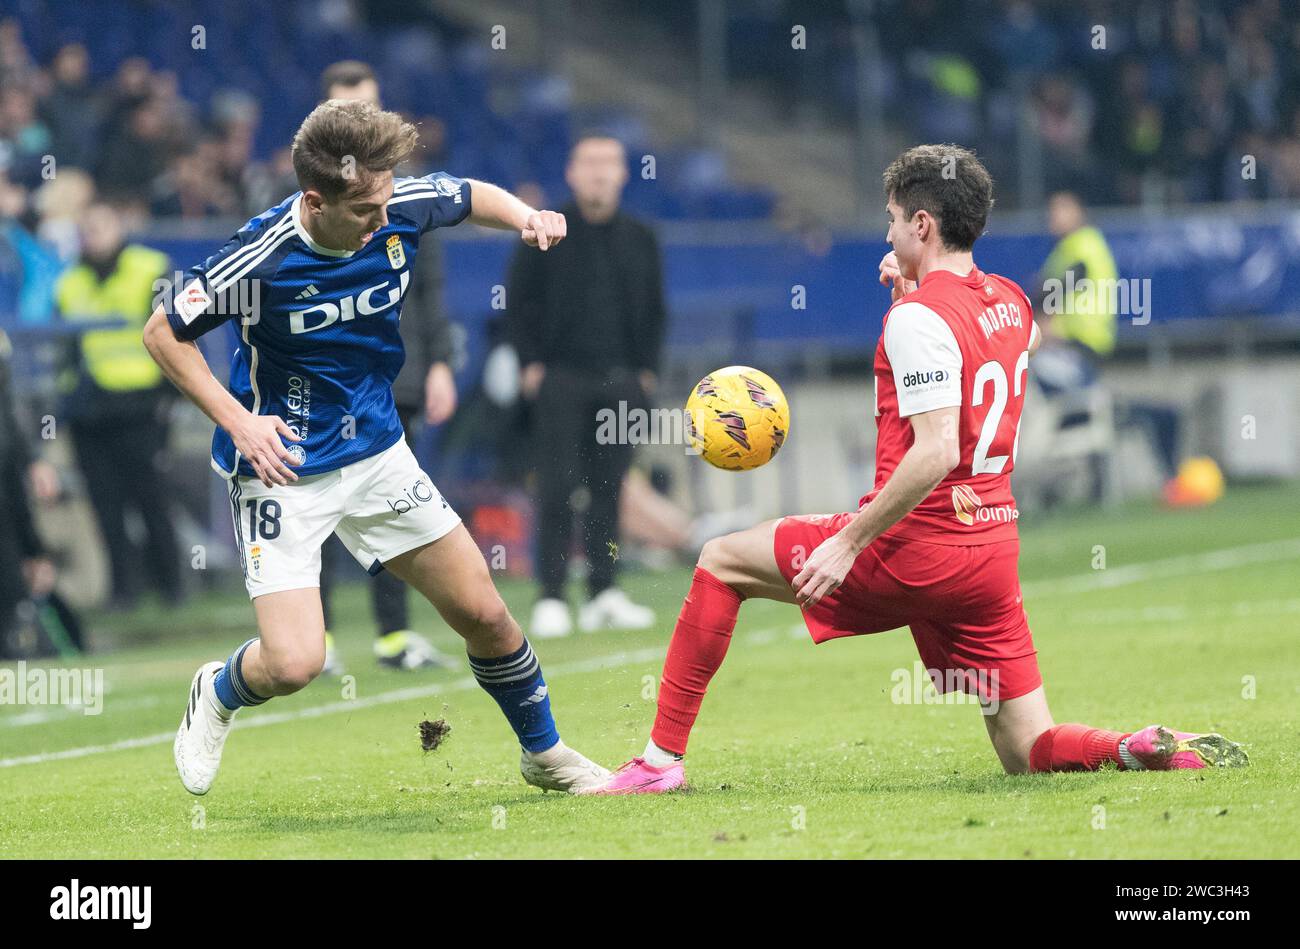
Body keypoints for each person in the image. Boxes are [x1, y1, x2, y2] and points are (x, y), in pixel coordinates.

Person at [587, 145, 1247, 795]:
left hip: (917, 547)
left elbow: (936, 450)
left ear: (921, 225)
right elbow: (1002, 346)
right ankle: (1132, 745)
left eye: (893, 218)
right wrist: (911, 295)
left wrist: (848, 542)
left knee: (720, 559)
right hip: (990, 550)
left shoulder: (918, 318)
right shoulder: (1012, 301)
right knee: (1026, 748)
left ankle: (657, 762)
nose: (888, 230)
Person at [143, 99, 609, 796]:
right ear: (315, 200)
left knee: (483, 611)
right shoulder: (262, 256)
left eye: (387, 200)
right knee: (297, 661)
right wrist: (240, 421)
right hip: (284, 467)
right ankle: (219, 688)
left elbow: (467, 193)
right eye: (364, 209)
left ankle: (545, 754)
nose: (381, 218)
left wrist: (526, 219)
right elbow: (161, 332)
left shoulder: (397, 201)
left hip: (376, 451)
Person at [314, 59, 458, 673]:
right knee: (310, 509)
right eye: (347, 110)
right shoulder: (296, 195)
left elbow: (427, 290)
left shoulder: (405, 191)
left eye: (369, 109)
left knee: (394, 502)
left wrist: (441, 365)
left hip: (392, 376)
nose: (360, 122)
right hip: (315, 380)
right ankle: (313, 642)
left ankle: (394, 637)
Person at [507, 134, 666, 638]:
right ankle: (551, 595)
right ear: (572, 173)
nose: (599, 173)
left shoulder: (642, 237)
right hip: (560, 379)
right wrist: (531, 363)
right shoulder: (545, 231)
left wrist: (646, 369)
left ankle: (604, 590)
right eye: (589, 163)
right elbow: (518, 302)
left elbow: (656, 310)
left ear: (622, 174)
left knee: (609, 489)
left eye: (609, 164)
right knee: (555, 487)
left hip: (621, 380)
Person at [55, 201, 183, 610]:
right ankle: (123, 590)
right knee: (105, 505)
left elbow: (178, 332)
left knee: (152, 499)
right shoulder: (69, 282)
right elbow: (64, 350)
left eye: (100, 226)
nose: (93, 235)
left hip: (141, 407)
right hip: (90, 411)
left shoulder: (150, 267)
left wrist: (170, 398)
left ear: (119, 225)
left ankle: (172, 586)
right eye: (86, 228)